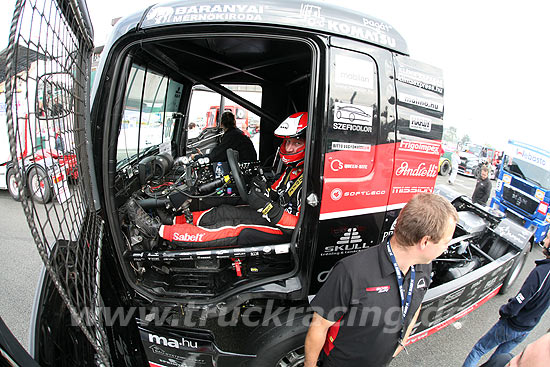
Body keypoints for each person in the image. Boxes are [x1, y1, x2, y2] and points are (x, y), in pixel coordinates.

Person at [304, 193, 459, 367]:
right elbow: (319, 326)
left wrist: (402, 343)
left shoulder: (424, 267)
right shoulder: (351, 272)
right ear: (425, 242)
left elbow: (415, 305)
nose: (446, 249)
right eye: (446, 242)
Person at [128, 112, 308, 248]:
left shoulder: (311, 181)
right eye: (288, 142)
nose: (290, 147)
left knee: (231, 228)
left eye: (297, 143)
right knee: (222, 212)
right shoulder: (292, 171)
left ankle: (157, 231)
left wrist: (267, 207)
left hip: (282, 228)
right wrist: (261, 188)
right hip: (272, 215)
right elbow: (275, 192)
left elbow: (298, 228)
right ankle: (172, 221)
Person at [462, 235, 550, 367]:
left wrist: (505, 311)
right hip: (526, 329)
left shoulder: (540, 273)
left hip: (512, 325)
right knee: (497, 361)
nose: (544, 241)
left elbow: (520, 301)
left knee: (479, 349)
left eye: (548, 238)